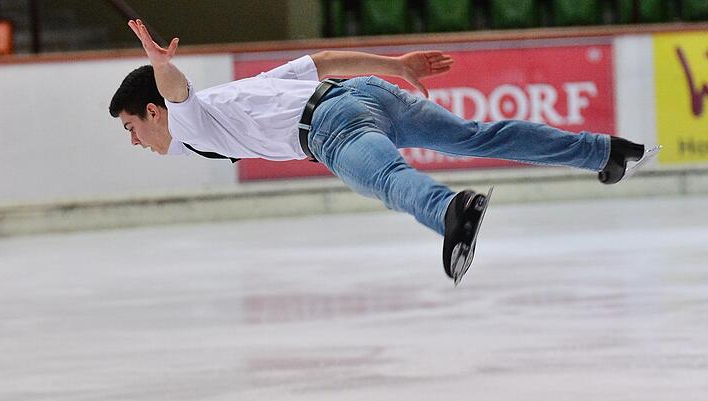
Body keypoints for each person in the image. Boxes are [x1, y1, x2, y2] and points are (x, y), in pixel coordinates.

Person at [110, 19, 653, 285]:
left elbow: (175, 89)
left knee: (388, 179)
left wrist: (159, 65)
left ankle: (450, 212)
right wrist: (395, 67)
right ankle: (605, 152)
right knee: (476, 135)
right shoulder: (224, 101)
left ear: (154, 112)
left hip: (328, 125)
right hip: (367, 94)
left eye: (132, 126)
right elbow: (320, 61)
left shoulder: (187, 117)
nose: (134, 141)